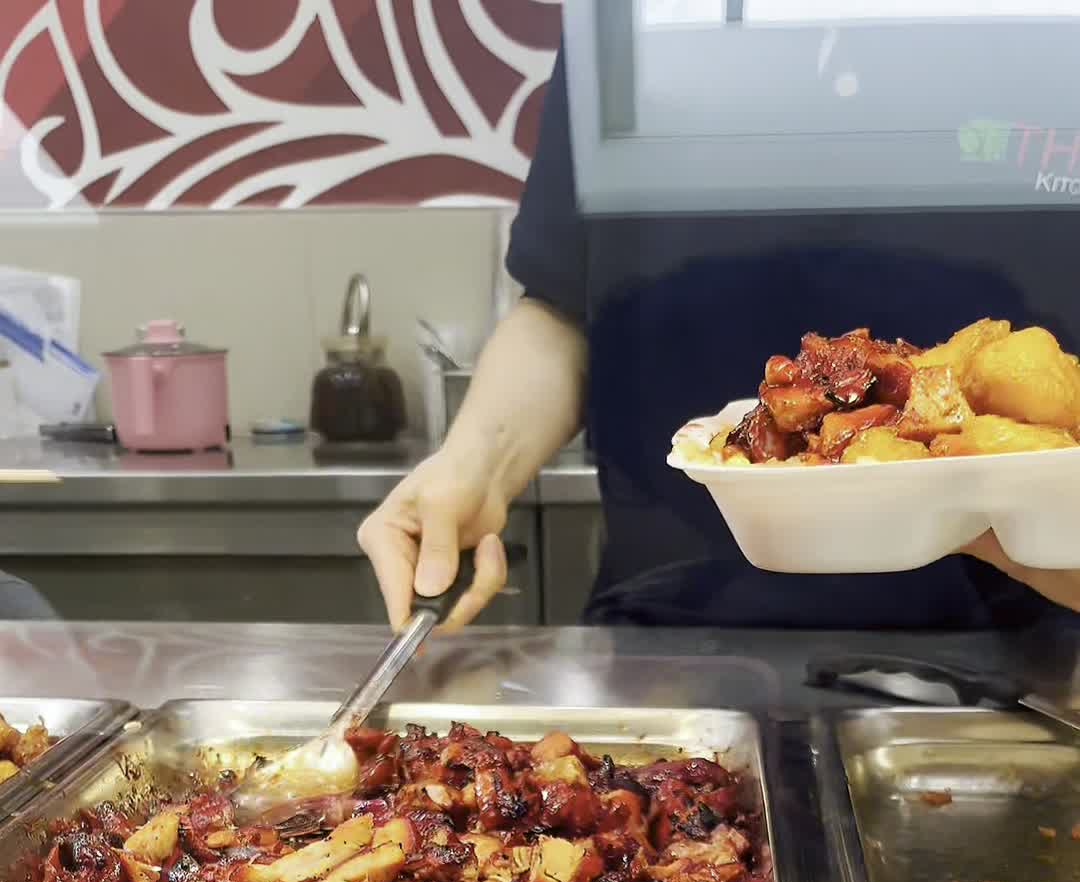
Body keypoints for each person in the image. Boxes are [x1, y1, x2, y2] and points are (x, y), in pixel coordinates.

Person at [359, 43, 1080, 635]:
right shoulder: (632, 31)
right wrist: (474, 467)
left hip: (1025, 642)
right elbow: (562, 306)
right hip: (675, 630)